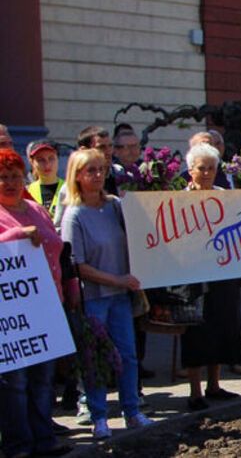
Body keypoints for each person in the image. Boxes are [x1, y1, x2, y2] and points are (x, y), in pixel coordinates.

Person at [61, 149, 153, 439]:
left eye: (101, 170)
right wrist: (117, 279)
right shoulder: (74, 214)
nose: (98, 175)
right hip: (95, 297)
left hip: (120, 295)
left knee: (127, 355)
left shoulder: (114, 206)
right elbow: (78, 265)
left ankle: (132, 411)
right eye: (91, 171)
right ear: (77, 175)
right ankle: (99, 416)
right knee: (96, 359)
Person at [0, 149, 73, 457]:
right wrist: (17, 234)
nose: (10, 182)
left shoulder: (36, 209)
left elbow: (58, 248)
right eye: (2, 177)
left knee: (43, 380)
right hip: (10, 315)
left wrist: (68, 289)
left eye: (15, 176)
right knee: (14, 383)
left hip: (46, 305)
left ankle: (44, 440)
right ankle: (18, 445)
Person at [179, 143, 241, 410]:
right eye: (201, 168)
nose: (206, 173)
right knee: (196, 331)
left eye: (211, 168)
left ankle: (214, 385)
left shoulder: (225, 196)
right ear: (190, 170)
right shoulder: (178, 200)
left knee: (221, 327)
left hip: (222, 272)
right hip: (192, 275)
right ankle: (195, 392)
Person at [25, 140, 64, 220]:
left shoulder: (70, 189)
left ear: (58, 159)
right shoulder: (27, 191)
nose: (47, 164)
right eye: (40, 160)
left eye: (51, 158)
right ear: (32, 162)